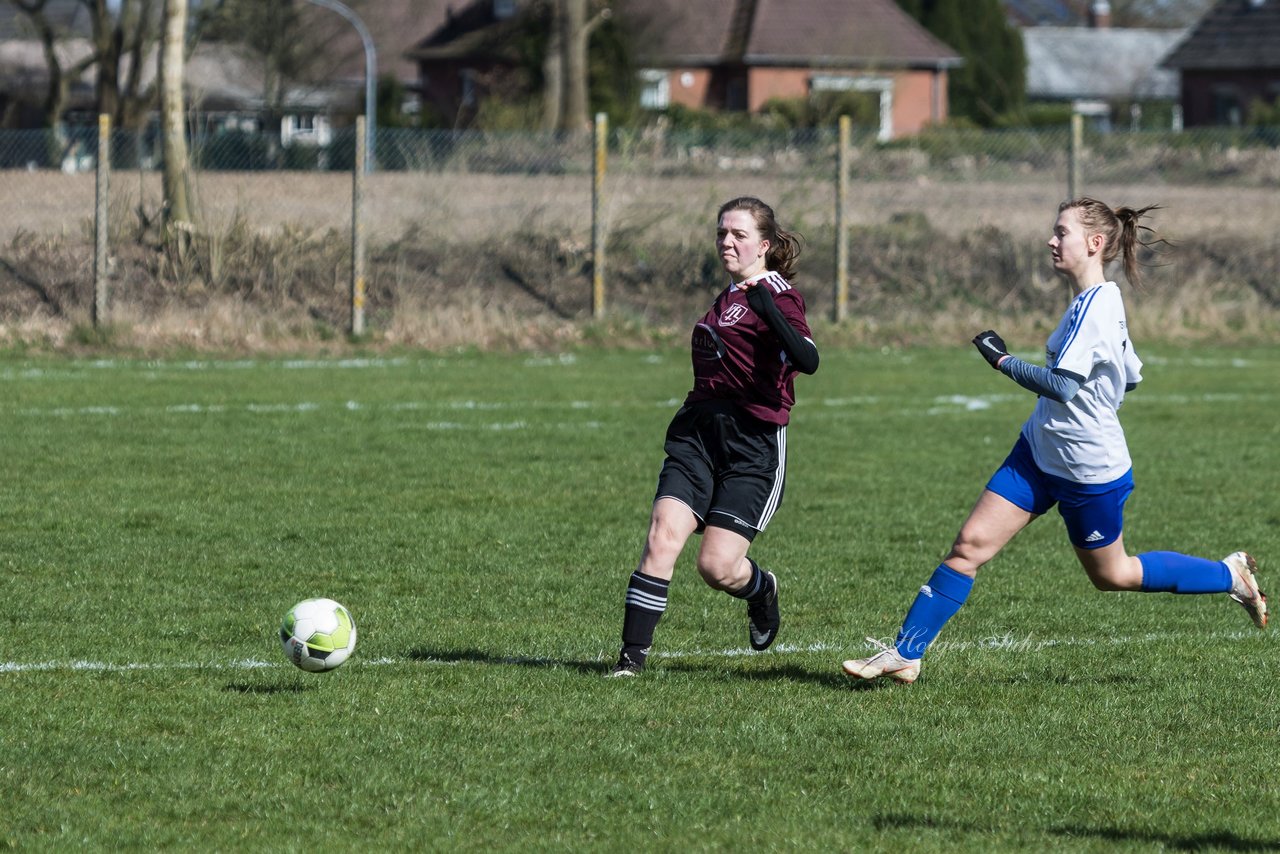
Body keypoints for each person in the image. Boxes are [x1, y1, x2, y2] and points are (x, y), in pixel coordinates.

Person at [842, 197, 1266, 685]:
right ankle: (905, 653)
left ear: (1094, 243)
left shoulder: (1099, 308)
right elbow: (1130, 377)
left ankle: (1228, 575)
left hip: (1089, 472)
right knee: (969, 546)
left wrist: (1003, 361)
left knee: (1114, 575)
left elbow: (1063, 386)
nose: (1050, 239)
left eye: (1060, 232)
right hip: (1038, 454)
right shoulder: (1094, 302)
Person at [606, 197, 820, 677]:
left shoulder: (779, 294)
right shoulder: (726, 296)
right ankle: (629, 662)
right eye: (722, 233)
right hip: (697, 437)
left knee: (716, 567)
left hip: (753, 447)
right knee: (662, 537)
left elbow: (808, 359)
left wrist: (769, 308)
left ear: (764, 246)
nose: (726, 241)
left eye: (739, 235)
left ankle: (761, 588)